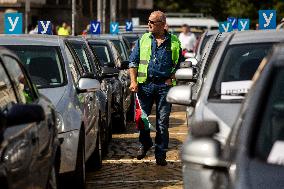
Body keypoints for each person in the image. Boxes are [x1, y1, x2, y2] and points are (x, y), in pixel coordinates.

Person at [128, 10, 182, 166]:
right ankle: (145, 143)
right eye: (148, 21)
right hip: (145, 86)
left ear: (162, 25)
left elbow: (179, 65)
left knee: (162, 123)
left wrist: (171, 78)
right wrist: (133, 81)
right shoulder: (143, 39)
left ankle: (160, 153)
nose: (149, 24)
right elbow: (133, 62)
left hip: (164, 87)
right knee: (141, 120)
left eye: (152, 22)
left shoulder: (174, 42)